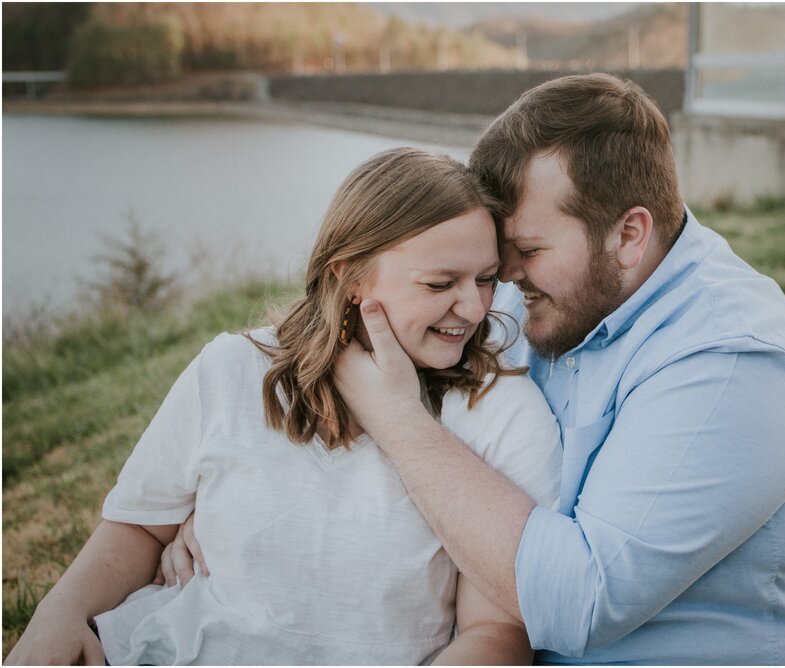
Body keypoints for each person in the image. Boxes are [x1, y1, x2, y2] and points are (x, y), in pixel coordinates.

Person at [328, 74, 785, 664]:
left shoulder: (734, 360)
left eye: (529, 250)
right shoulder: (539, 294)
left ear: (628, 234)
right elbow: (377, 329)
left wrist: (397, 419)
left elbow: (582, 601)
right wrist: (219, 494)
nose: (504, 276)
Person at [4, 148, 562, 666]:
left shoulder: (502, 409)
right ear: (348, 277)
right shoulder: (231, 368)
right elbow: (140, 527)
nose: (472, 307)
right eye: (440, 282)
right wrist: (60, 614)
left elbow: (495, 632)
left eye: (486, 280)